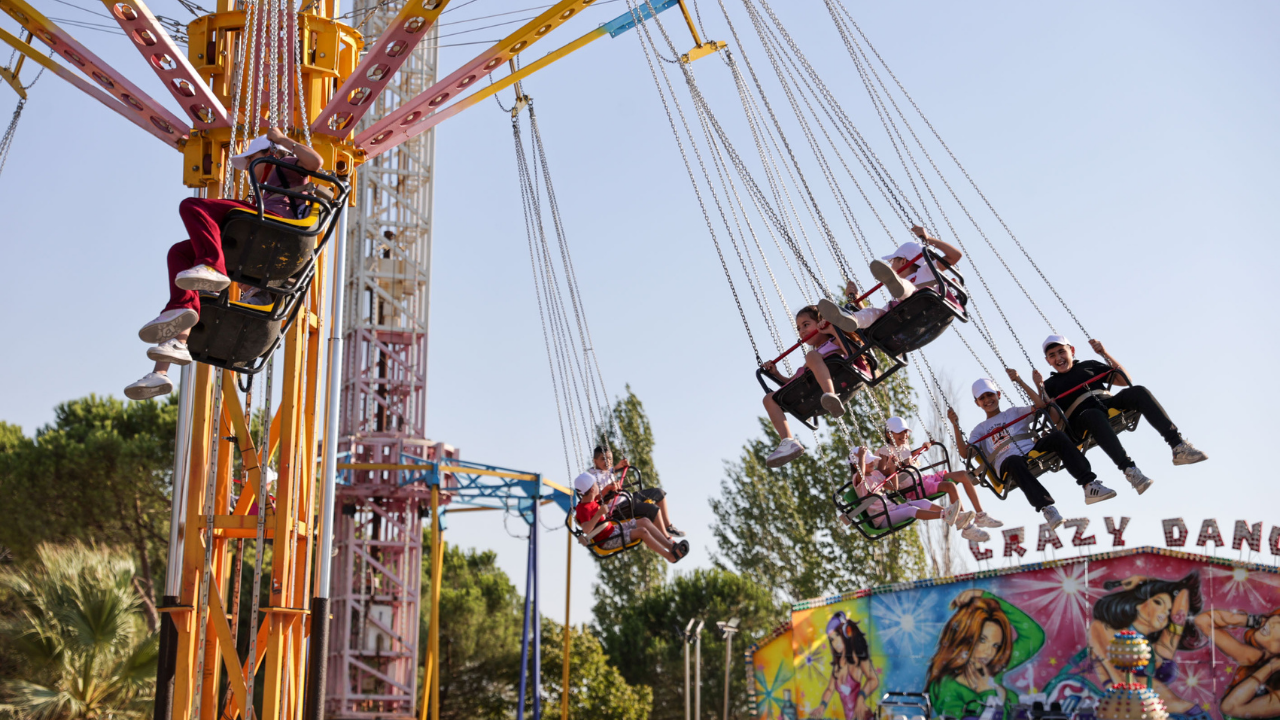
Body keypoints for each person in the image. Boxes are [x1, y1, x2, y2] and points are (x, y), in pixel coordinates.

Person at [124, 128, 323, 400]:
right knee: (179, 254)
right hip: (258, 229)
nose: (251, 166)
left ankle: (212, 266)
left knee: (193, 206)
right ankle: (165, 363)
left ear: (270, 153)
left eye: (255, 158)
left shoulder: (285, 166)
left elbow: (315, 163)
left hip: (268, 226)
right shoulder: (263, 190)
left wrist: (282, 140)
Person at [949, 371, 1116, 532]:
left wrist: (1021, 382)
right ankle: (1046, 507)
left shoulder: (1014, 412)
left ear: (998, 395)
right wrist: (955, 425)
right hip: (1008, 462)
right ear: (977, 403)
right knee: (1014, 461)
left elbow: (1041, 406)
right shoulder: (980, 430)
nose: (987, 400)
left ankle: (1089, 484)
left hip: (1030, 451)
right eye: (982, 398)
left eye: (990, 395)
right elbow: (965, 453)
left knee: (1057, 436)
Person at [1040, 335, 1207, 495]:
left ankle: (1177, 445)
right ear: (1048, 361)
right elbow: (1054, 418)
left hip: (1105, 403)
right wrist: (1043, 392)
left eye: (1062, 351)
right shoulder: (1049, 384)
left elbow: (1124, 379)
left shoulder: (1088, 365)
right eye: (1052, 355)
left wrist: (1104, 353)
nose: (1058, 358)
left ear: (1072, 351)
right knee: (1093, 415)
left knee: (1138, 391)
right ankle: (1129, 469)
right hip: (1081, 418)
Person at [1087, 573, 1205, 715]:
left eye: (1168, 611)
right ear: (1137, 603)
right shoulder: (1103, 628)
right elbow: (1120, 679)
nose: (1164, 613)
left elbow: (1183, 595)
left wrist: (1147, 581)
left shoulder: (1160, 646)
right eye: (1158, 603)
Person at [926, 589, 1045, 720]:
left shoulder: (993, 667)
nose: (989, 652)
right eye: (982, 640)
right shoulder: (947, 685)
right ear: (963, 637)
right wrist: (987, 692)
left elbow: (1034, 636)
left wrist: (985, 596)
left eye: (996, 645)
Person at [818, 225, 963, 332]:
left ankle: (900, 288)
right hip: (903, 314)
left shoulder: (927, 270)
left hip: (923, 303)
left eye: (892, 262)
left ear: (903, 261)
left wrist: (929, 239)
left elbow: (955, 256)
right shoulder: (898, 296)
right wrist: (858, 300)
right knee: (876, 313)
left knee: (908, 289)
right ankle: (852, 319)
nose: (891, 265)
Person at [761, 306, 856, 468]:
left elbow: (853, 352)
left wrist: (833, 330)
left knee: (811, 356)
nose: (802, 331)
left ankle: (830, 395)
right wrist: (776, 374)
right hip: (812, 392)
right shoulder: (814, 356)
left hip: (839, 379)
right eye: (798, 328)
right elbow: (793, 384)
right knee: (769, 399)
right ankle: (788, 441)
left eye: (806, 325)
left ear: (821, 323)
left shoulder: (833, 340)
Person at [877, 415, 1004, 531]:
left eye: (906, 431)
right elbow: (882, 472)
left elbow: (909, 459)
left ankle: (980, 514)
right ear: (889, 434)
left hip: (922, 479)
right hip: (912, 488)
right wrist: (897, 465)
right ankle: (965, 525)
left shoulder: (904, 445)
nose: (904, 435)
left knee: (964, 474)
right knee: (950, 486)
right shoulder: (885, 451)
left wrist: (922, 448)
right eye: (900, 432)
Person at [846, 446, 989, 542]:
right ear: (856, 465)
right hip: (882, 518)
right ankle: (944, 515)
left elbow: (893, 486)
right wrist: (862, 456)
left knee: (923, 503)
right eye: (868, 462)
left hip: (892, 509)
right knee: (911, 510)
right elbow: (860, 473)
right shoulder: (858, 480)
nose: (872, 464)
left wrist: (892, 467)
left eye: (871, 461)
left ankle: (956, 516)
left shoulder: (876, 474)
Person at [574, 445, 685, 538]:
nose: (607, 462)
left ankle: (668, 526)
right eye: (603, 459)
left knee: (659, 493)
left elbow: (612, 471)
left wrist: (620, 466)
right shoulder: (591, 478)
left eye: (610, 459)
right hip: (618, 508)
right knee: (653, 510)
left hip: (627, 498)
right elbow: (594, 500)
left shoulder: (607, 471)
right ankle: (667, 538)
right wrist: (607, 488)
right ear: (595, 461)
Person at [573, 473, 687, 562]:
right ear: (592, 489)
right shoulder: (583, 509)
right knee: (642, 531)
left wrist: (608, 488)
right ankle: (669, 556)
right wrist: (599, 514)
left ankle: (671, 546)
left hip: (612, 530)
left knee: (645, 521)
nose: (598, 486)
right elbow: (586, 529)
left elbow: (599, 497)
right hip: (607, 540)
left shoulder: (591, 501)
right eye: (596, 485)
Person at [1196, 608, 1280, 718]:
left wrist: (1271, 667)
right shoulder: (1254, 656)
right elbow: (1203, 621)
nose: (1274, 623)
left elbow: (1229, 707)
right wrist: (1255, 620)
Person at [811, 611, 879, 720]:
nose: (835, 642)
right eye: (832, 639)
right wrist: (822, 705)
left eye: (837, 635)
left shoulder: (857, 658)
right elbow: (830, 689)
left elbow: (873, 679)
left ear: (845, 633)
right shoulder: (838, 665)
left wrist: (861, 697)